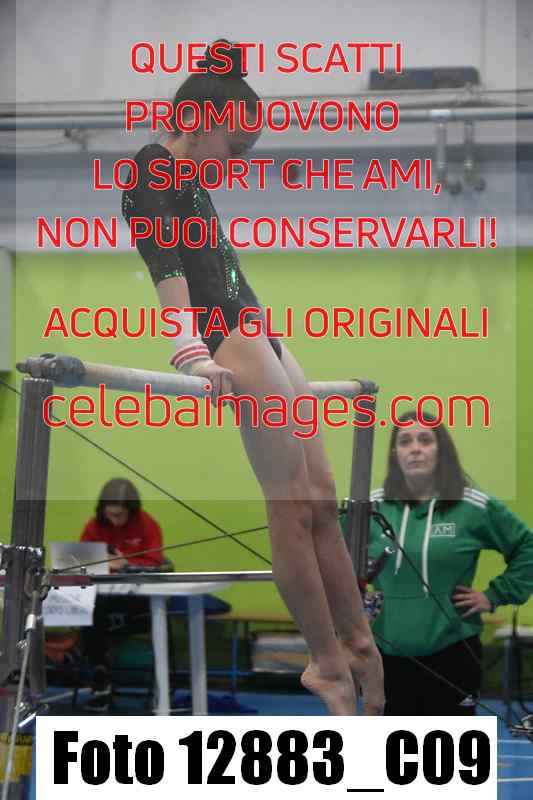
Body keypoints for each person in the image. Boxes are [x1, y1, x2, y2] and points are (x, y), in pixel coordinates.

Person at [121, 39, 383, 716]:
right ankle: (324, 662)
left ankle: (357, 641)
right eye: (234, 148)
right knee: (290, 505)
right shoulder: (149, 169)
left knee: (320, 498)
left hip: (256, 329)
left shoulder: (187, 175)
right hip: (224, 337)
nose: (236, 162)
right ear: (200, 121)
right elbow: (165, 264)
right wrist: (189, 351)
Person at [366, 409, 533, 716]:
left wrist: (495, 594)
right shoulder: (370, 506)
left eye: (425, 440)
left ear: (441, 450)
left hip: (454, 652)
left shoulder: (472, 506)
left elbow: (528, 547)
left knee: (451, 746)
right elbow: (333, 555)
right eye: (405, 441)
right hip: (385, 652)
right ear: (394, 453)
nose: (415, 448)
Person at [80, 477, 167, 711]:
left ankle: (100, 673)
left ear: (132, 510)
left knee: (94, 619)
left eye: (119, 515)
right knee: (88, 611)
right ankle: (100, 674)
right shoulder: (94, 526)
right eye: (110, 515)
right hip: (102, 602)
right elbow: (79, 562)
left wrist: (126, 563)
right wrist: (105, 564)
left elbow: (156, 562)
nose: (114, 520)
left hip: (137, 602)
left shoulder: (147, 525)